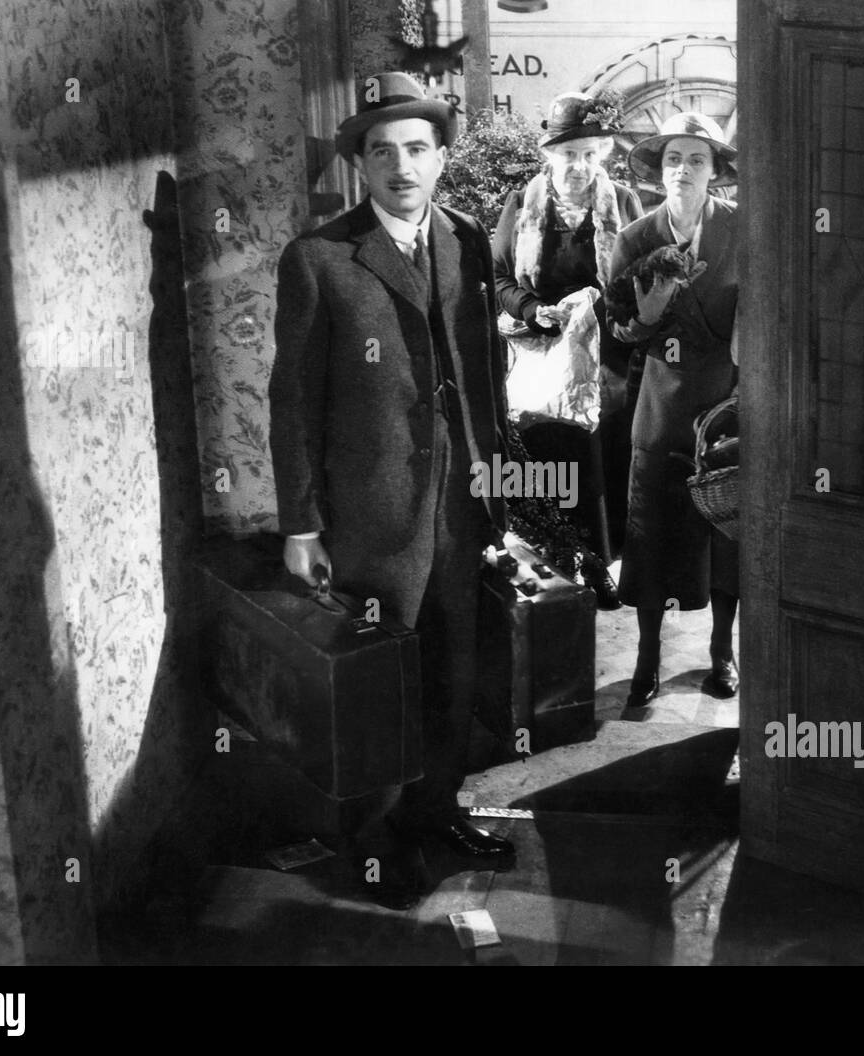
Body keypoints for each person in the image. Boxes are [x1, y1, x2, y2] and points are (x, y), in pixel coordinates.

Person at [269, 71, 514, 909]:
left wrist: (500, 486)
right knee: (382, 686)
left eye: (417, 148)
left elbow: (487, 374)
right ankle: (376, 848)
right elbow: (293, 403)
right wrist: (300, 525)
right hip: (371, 518)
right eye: (382, 151)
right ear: (360, 166)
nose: (401, 165)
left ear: (441, 156)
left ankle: (437, 811)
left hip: (460, 505)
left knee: (452, 671)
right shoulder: (319, 260)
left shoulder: (468, 238)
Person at [608, 112, 741, 708]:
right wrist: (651, 314)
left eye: (696, 160)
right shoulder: (635, 239)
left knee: (727, 534)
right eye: (672, 161)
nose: (682, 171)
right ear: (660, 172)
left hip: (728, 404)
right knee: (652, 536)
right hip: (661, 405)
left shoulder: (743, 231)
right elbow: (617, 332)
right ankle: (647, 657)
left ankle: (722, 652)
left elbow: (767, 309)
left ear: (714, 172)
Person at [492, 91, 644, 606]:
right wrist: (533, 309)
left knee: (603, 464)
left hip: (607, 367)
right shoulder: (522, 205)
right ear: (549, 155)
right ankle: (560, 563)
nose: (578, 165)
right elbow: (496, 279)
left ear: (600, 156)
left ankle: (602, 566)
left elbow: (638, 281)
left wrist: (603, 307)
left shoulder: (622, 202)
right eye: (567, 154)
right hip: (544, 362)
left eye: (588, 153)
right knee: (553, 467)